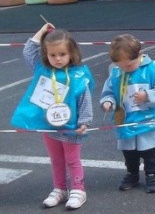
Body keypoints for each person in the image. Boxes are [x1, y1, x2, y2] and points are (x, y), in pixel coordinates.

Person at [11, 23, 94, 210]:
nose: (57, 59)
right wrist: (41, 32)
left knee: (72, 160)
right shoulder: (42, 70)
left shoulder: (78, 74)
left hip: (71, 127)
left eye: (62, 54)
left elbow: (85, 99)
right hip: (49, 126)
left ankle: (78, 190)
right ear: (46, 55)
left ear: (72, 53)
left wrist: (85, 122)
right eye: (52, 55)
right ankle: (59, 189)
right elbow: (28, 52)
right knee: (56, 159)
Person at [100, 34, 155, 194]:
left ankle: (151, 175)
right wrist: (108, 101)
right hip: (127, 120)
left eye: (128, 66)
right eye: (121, 66)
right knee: (129, 152)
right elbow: (109, 91)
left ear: (140, 54)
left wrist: (147, 95)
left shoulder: (154, 69)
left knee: (149, 151)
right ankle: (132, 174)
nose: (124, 69)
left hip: (148, 120)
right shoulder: (116, 71)